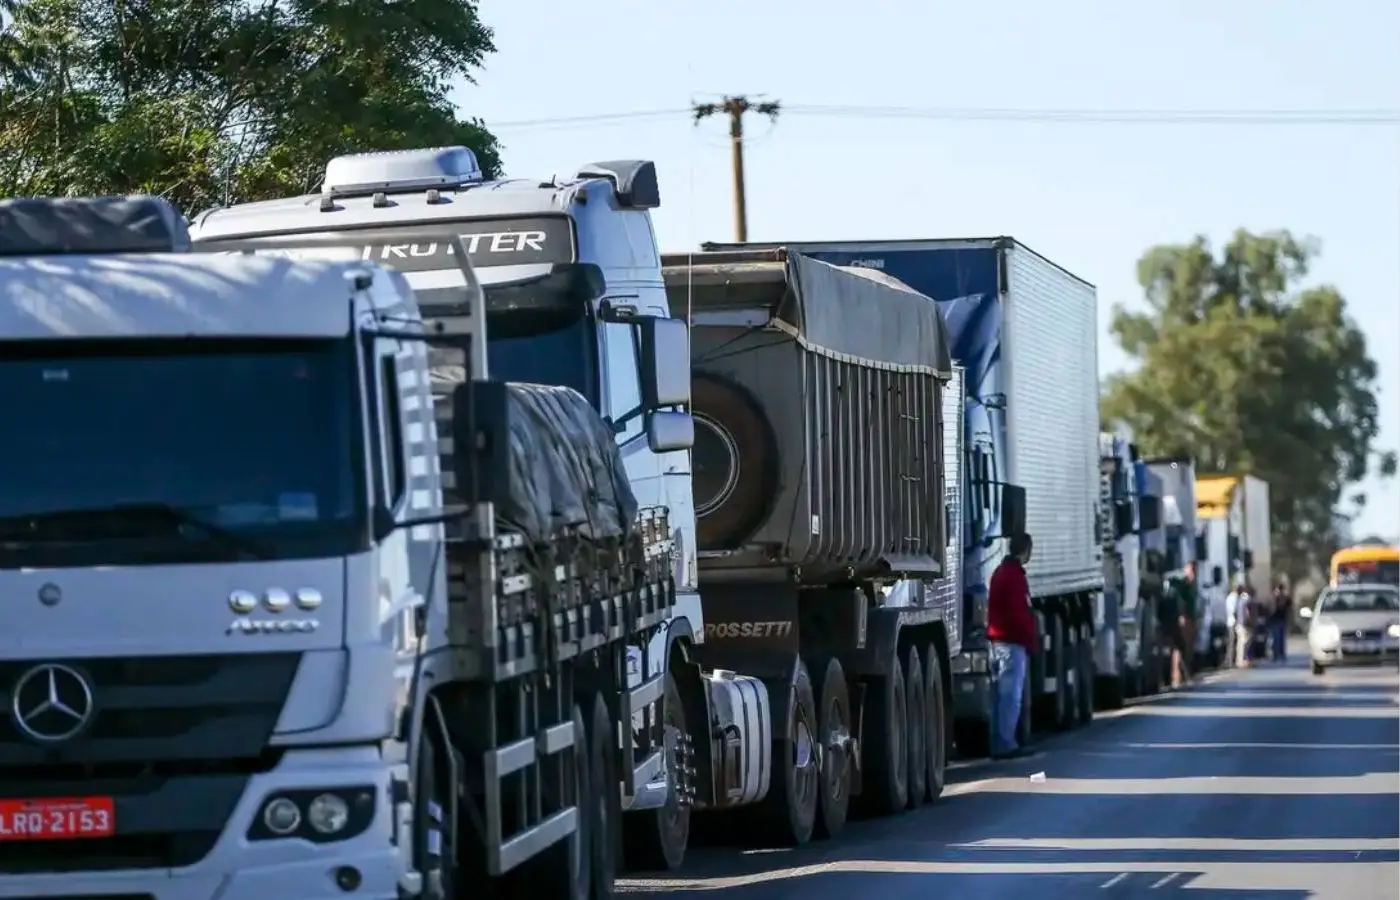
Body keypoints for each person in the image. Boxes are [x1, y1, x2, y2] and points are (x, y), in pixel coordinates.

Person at [987, 532, 1037, 760]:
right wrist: (1029, 639)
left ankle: (999, 741)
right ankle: (1006, 743)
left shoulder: (1000, 573)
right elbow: (1020, 614)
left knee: (1000, 697)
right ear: (1025, 550)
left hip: (997, 643)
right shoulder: (1014, 576)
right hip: (1011, 644)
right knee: (1011, 697)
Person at [1269, 583, 1292, 662]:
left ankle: (1281, 654)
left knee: (1281, 639)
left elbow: (1288, 608)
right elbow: (1271, 608)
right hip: (1275, 620)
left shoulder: (1286, 598)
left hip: (1282, 620)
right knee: (1276, 638)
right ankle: (1276, 654)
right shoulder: (1274, 598)